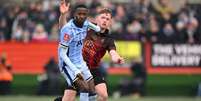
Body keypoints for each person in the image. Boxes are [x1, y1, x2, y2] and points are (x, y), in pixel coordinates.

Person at [55, 0, 124, 101]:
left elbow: (113, 53)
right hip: (76, 66)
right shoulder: (86, 26)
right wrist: (63, 14)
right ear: (97, 19)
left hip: (93, 69)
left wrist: (117, 59)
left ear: (110, 22)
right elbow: (64, 28)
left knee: (104, 96)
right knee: (68, 99)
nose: (105, 20)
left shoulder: (109, 39)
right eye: (103, 17)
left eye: (108, 19)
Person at [57, 0, 101, 101]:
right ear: (74, 14)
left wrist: (99, 28)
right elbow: (62, 54)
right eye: (79, 14)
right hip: (67, 65)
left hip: (80, 62)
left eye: (84, 14)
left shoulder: (86, 24)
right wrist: (75, 70)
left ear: (87, 15)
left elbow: (97, 28)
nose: (81, 16)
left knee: (92, 91)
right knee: (84, 88)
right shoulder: (68, 30)